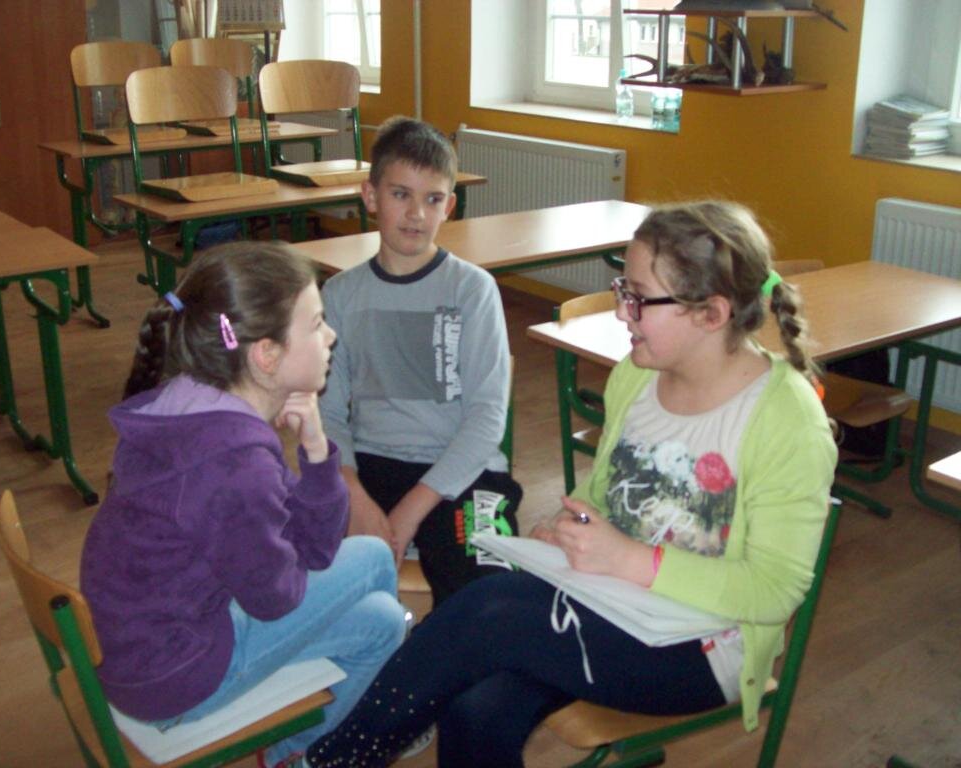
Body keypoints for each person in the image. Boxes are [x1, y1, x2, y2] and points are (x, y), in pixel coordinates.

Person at [295, 200, 838, 768]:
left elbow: (773, 591)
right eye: (623, 289)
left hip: (701, 648)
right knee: (474, 708)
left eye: (638, 297)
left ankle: (333, 760)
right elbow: (606, 497)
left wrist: (630, 559)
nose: (623, 312)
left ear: (711, 313)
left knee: (489, 610)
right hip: (610, 599)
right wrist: (569, 529)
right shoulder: (636, 377)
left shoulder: (784, 419)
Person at [80, 243, 406, 768]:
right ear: (266, 355)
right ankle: (302, 755)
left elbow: (289, 546)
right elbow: (280, 593)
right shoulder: (235, 463)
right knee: (381, 605)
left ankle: (344, 720)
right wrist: (315, 460)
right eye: (316, 324)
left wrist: (315, 448)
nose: (330, 336)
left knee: (377, 592)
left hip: (142, 641)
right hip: (175, 675)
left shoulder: (193, 402)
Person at [319, 116, 521, 606]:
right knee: (304, 569)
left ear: (449, 206)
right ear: (370, 196)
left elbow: (486, 419)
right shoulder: (339, 295)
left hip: (465, 470)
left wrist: (412, 510)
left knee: (489, 594)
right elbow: (327, 415)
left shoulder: (473, 290)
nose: (415, 214)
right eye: (400, 194)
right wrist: (354, 495)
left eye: (432, 199)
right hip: (370, 466)